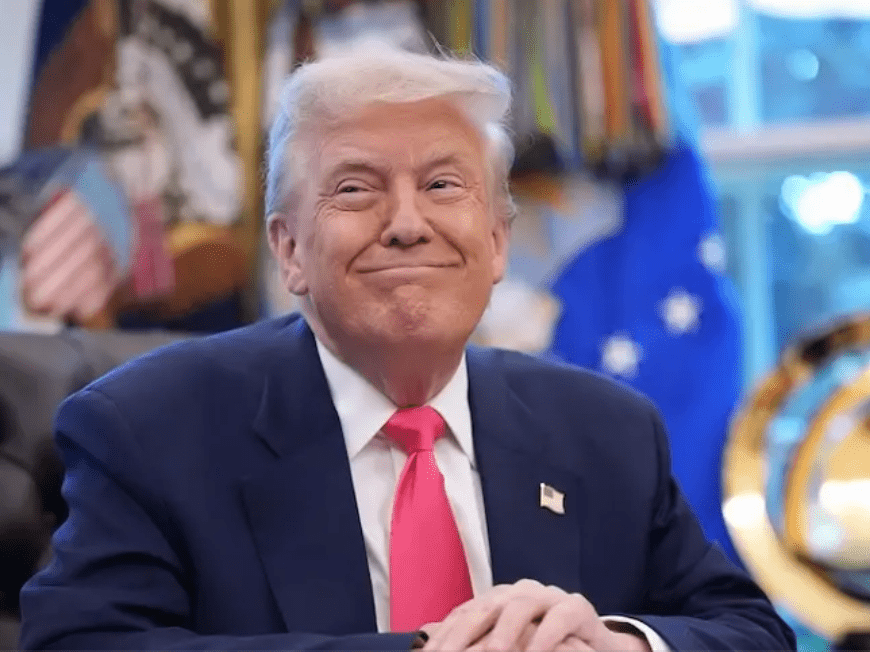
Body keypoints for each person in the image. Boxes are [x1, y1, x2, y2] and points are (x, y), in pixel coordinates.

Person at [19, 43, 796, 652]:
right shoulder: (149, 429)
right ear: (288, 250)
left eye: (443, 186)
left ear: (497, 242)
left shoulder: (606, 430)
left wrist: (613, 644)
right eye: (356, 188)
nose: (406, 224)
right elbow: (81, 643)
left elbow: (752, 632)